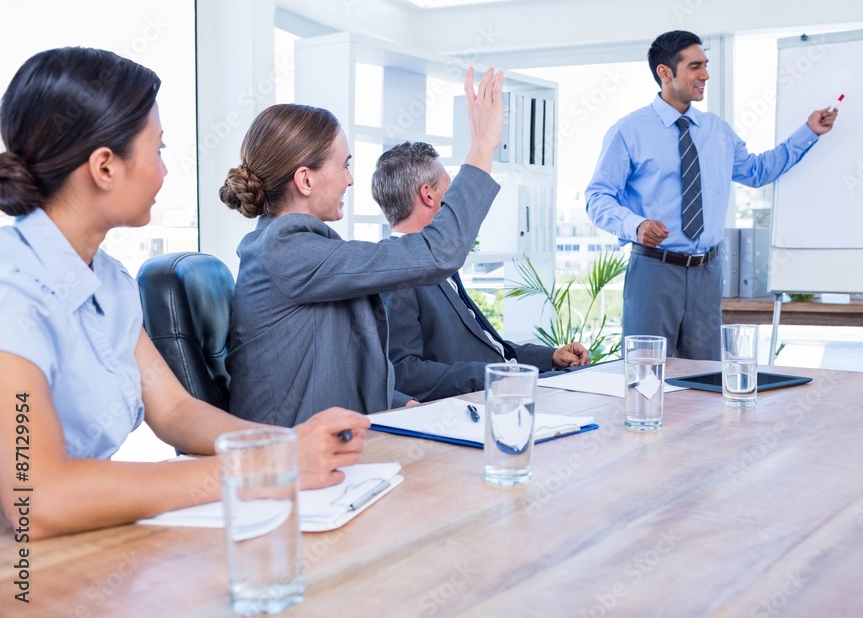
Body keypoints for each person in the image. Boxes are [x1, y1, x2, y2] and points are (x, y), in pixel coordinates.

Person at [0, 48, 368, 540]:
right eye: (158, 150)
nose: (165, 172)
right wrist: (259, 468)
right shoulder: (12, 288)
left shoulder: (108, 280)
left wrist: (282, 445)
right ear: (105, 167)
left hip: (74, 542)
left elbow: (174, 411)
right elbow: (38, 498)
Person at [220, 70, 506, 426]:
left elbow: (341, 365)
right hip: (290, 461)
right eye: (344, 165)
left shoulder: (297, 245)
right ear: (305, 180)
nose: (351, 179)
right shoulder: (285, 248)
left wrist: (402, 405)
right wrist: (481, 147)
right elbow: (438, 253)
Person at [585, 30, 838, 359]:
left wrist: (808, 133)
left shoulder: (717, 131)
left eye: (706, 65)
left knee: (705, 379)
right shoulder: (629, 131)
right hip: (653, 272)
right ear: (665, 72)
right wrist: (636, 225)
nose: (705, 74)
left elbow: (757, 171)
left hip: (707, 273)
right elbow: (598, 197)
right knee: (647, 374)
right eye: (694, 66)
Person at [372, 142, 589, 402]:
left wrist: (549, 357)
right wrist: (493, 376)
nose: (457, 201)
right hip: (485, 401)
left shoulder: (439, 266)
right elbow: (405, 373)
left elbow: (484, 348)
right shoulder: (399, 272)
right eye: (451, 190)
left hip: (507, 389)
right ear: (428, 195)